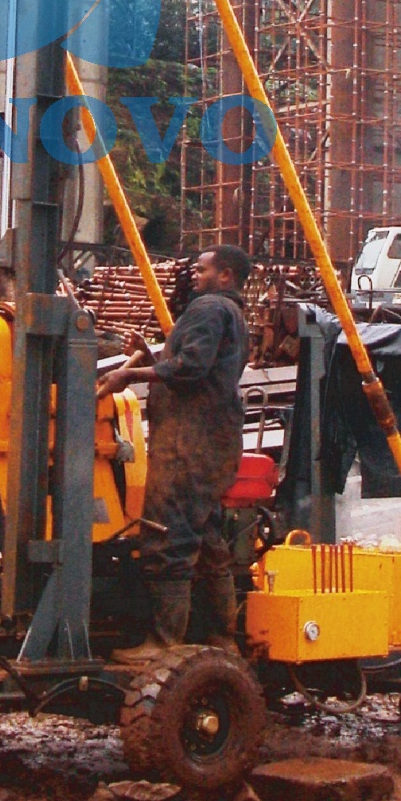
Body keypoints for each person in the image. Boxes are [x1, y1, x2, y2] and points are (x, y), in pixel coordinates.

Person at [99, 244, 252, 655]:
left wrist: (130, 374)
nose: (194, 276)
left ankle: (164, 643)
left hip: (189, 442)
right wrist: (153, 355)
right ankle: (223, 638)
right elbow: (204, 365)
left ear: (225, 275)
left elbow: (191, 368)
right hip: (213, 440)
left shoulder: (208, 308)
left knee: (168, 537)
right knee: (207, 539)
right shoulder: (232, 314)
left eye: (202, 269)